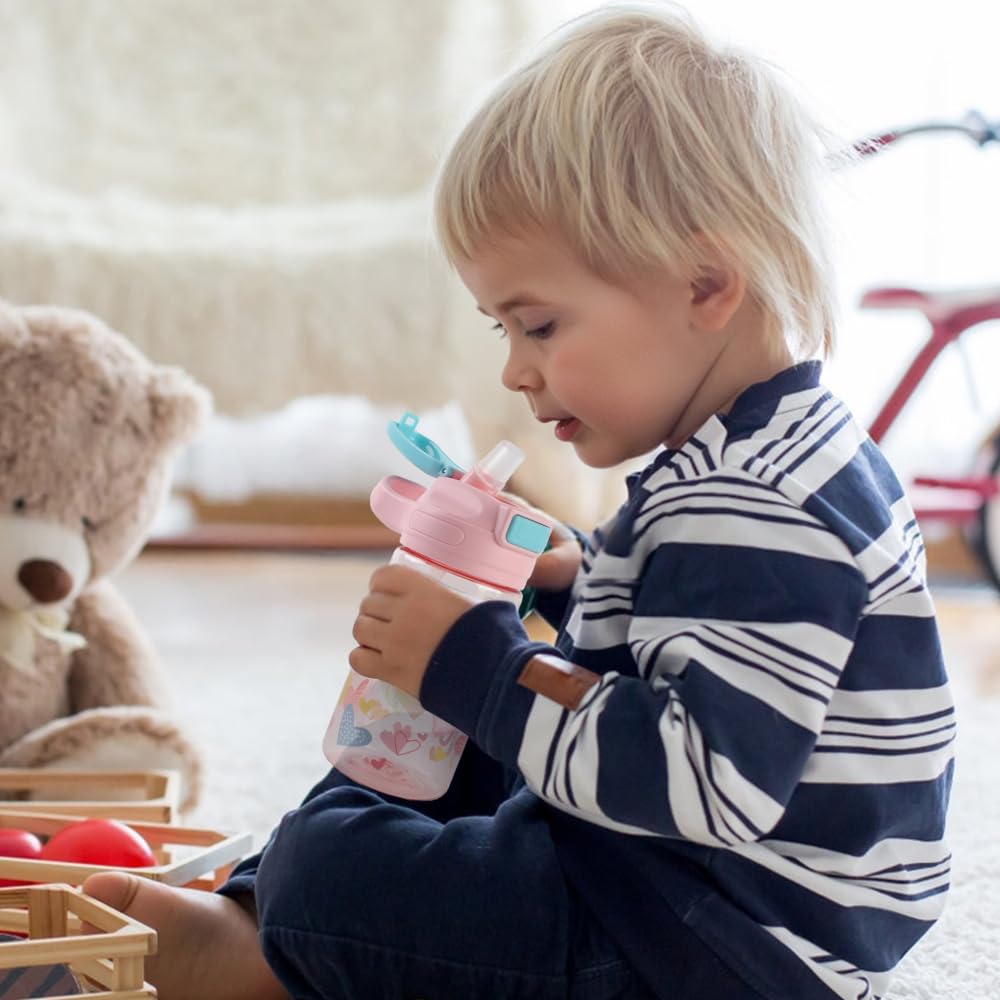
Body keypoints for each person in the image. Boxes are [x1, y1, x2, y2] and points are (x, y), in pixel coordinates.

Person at [83, 4, 955, 998]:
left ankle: (275, 942)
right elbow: (696, 632)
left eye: (536, 324)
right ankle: (263, 914)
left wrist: (480, 665)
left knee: (340, 866)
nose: (514, 371)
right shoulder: (762, 452)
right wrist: (577, 576)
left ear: (707, 281)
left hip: (718, 947)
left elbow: (707, 781)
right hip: (685, 887)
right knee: (419, 755)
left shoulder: (753, 507)